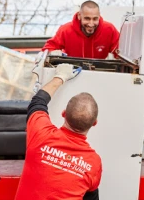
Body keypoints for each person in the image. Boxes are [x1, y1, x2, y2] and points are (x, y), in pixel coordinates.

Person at [15, 63, 102, 200]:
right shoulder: (94, 163)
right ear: (94, 123)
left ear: (63, 114)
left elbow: (37, 102)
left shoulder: (41, 133)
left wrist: (60, 77)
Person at [42, 0, 119, 59]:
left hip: (99, 72)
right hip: (72, 73)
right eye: (87, 18)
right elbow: (48, 49)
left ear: (99, 16)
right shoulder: (65, 30)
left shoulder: (109, 29)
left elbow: (120, 52)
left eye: (95, 19)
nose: (91, 23)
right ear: (79, 16)